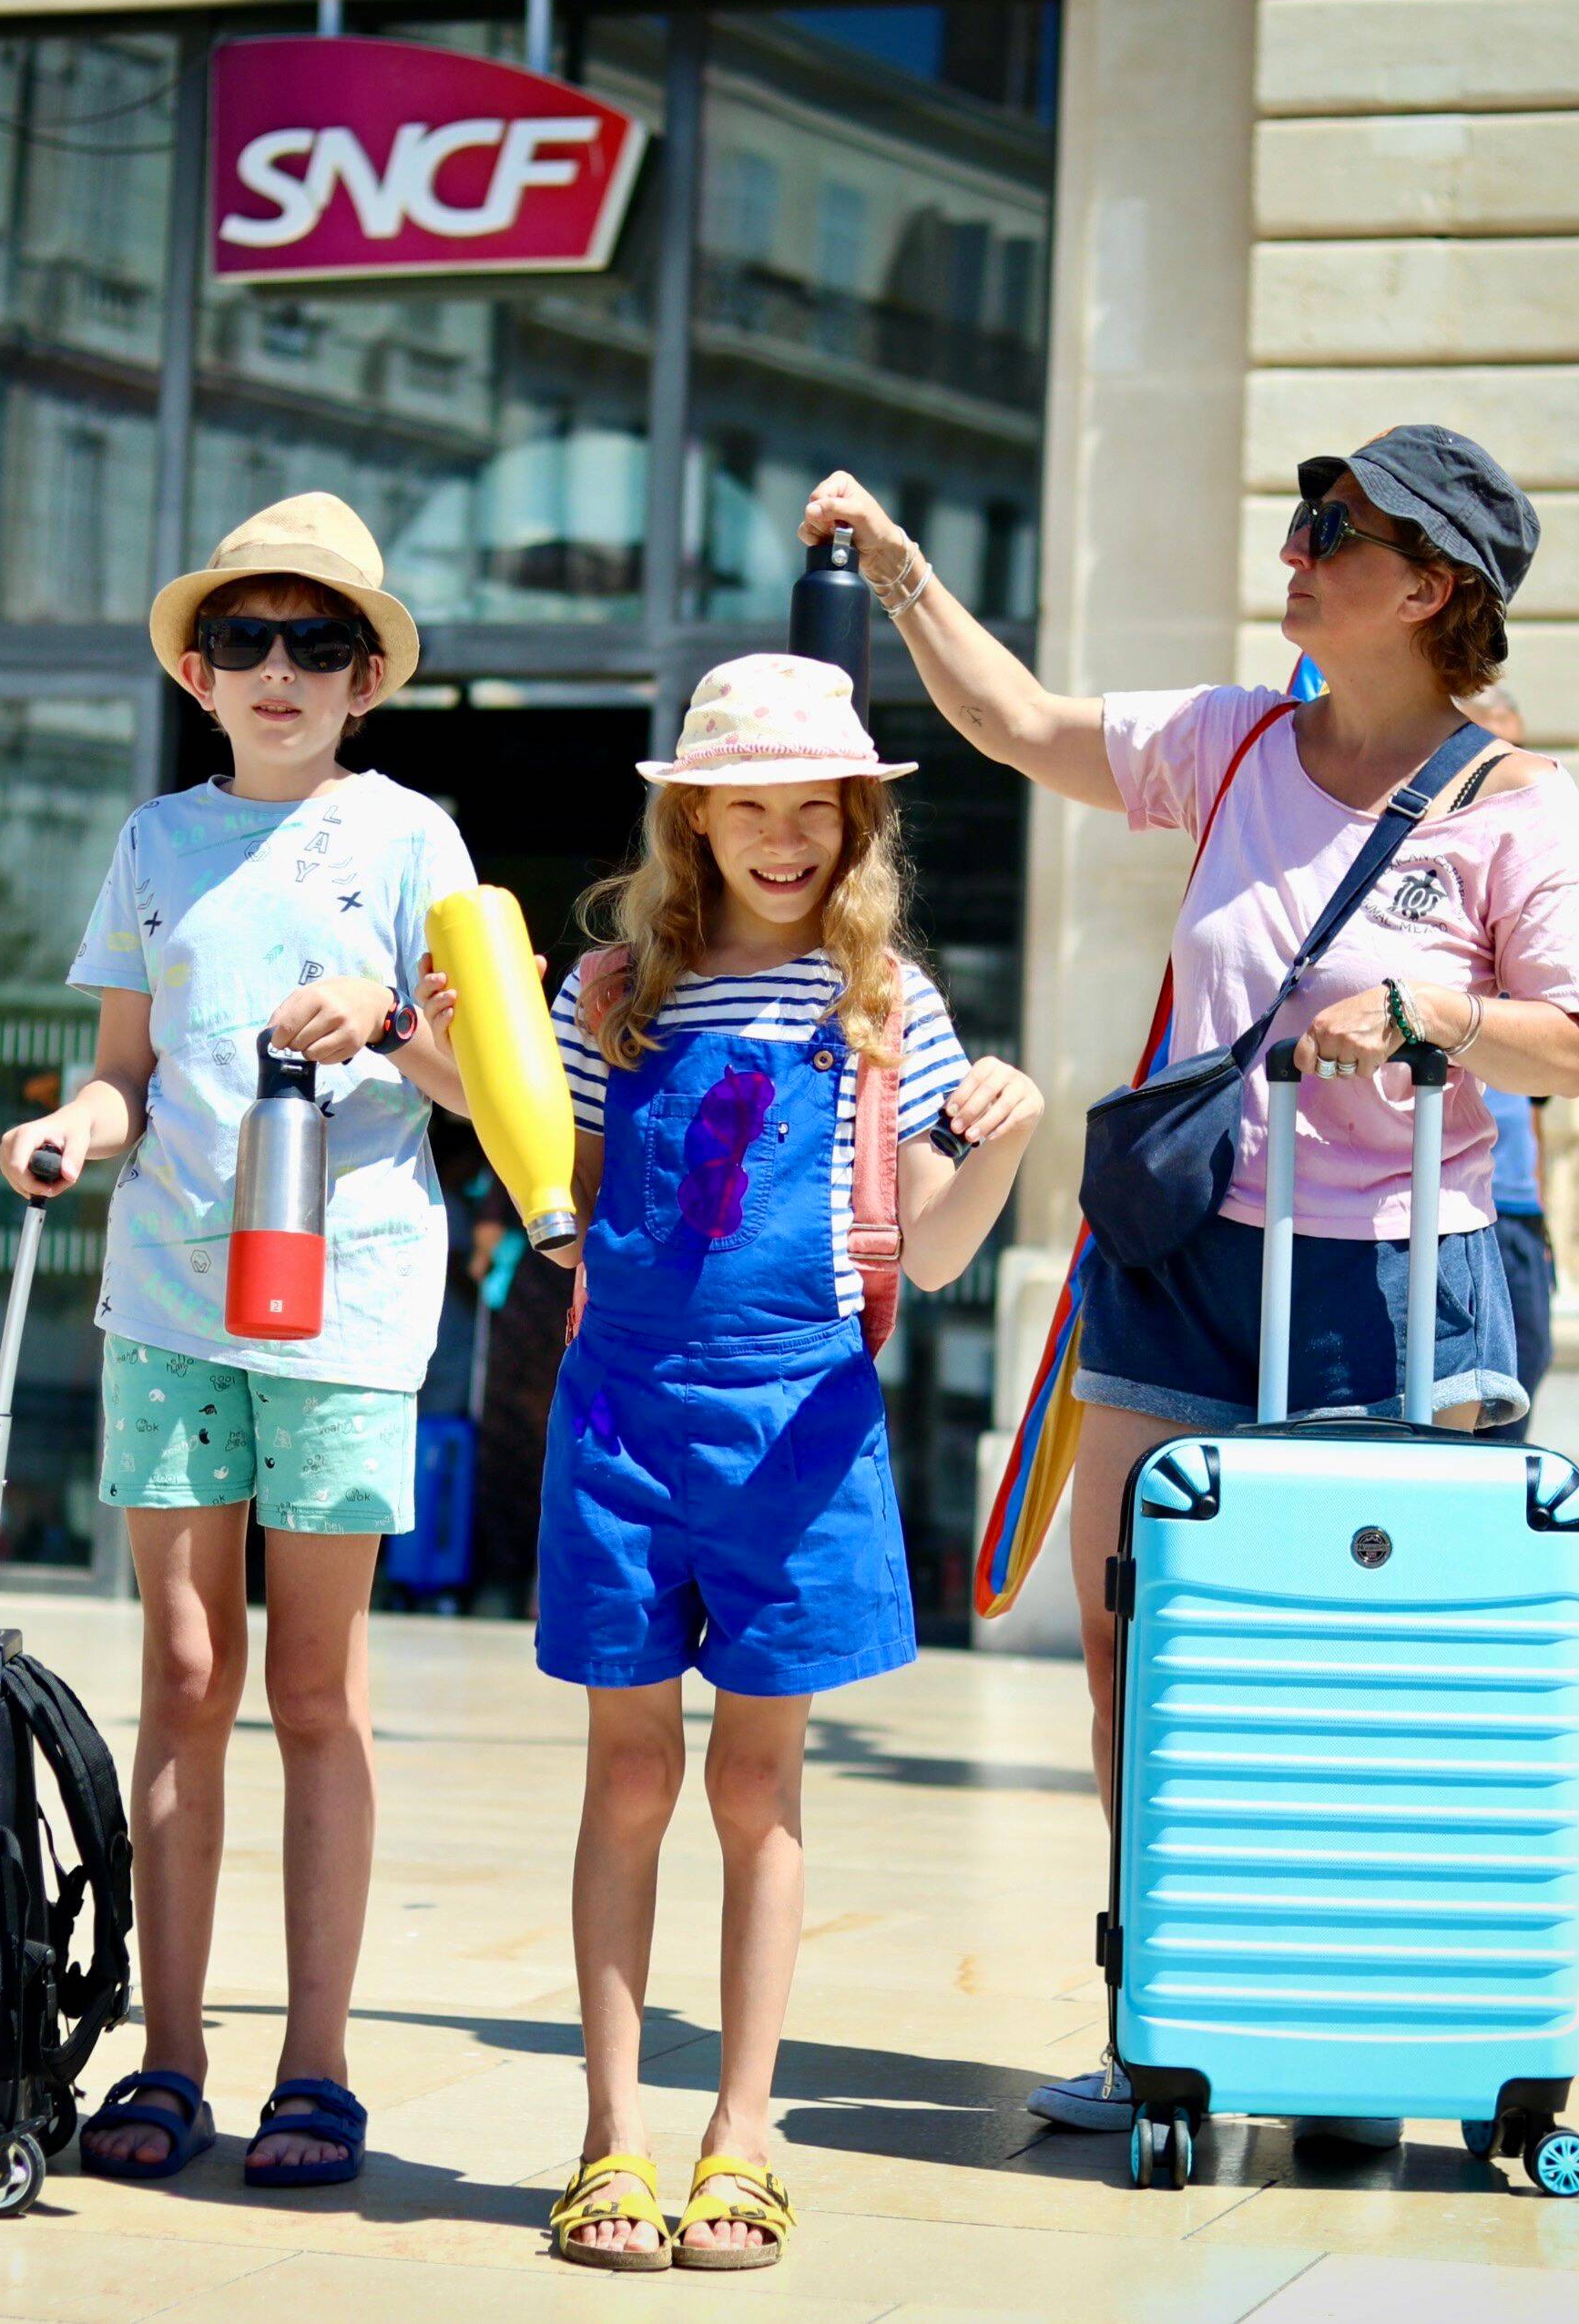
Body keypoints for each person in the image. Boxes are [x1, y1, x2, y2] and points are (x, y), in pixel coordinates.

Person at [800, 426, 1579, 2145]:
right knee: (1141, 1651)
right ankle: (1162, 2013)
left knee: (1385, 1670)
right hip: (1187, 1260)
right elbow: (1022, 727)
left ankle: (1376, 2020)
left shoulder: (1513, 811)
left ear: (1428, 589)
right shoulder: (1233, 737)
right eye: (1305, 514)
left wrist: (1428, 1017)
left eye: (1339, 528)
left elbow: (1574, 1047)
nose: (1298, 545)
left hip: (1403, 1282)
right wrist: (895, 563)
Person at [482, 656, 1041, 2273]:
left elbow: (932, 1255)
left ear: (855, 822)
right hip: (623, 1421)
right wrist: (447, 1051)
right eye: (749, 809)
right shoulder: (609, 993)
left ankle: (742, 2128)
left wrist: (997, 1139)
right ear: (693, 819)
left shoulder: (890, 1011)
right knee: (629, 1774)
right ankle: (611, 2129)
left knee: (758, 1786)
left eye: (815, 810)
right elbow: (557, 1183)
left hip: (802, 1431)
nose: (782, 840)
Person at [0, 493, 479, 2186]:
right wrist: (67, 1125)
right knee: (185, 1679)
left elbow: (499, 1092)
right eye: (250, 642)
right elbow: (126, 1070)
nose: (281, 671)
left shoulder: (418, 840)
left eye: (318, 643)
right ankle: (167, 2054)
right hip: (172, 1295)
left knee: (316, 1686)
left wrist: (393, 1020)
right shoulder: (152, 841)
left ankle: (319, 2065)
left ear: (364, 681)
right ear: (201, 673)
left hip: (347, 1298)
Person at [1460, 688, 1559, 1445]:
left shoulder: (1534, 881)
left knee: (1518, 1393)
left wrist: (1548, 1222)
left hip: (1517, 1212)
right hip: (1447, 1206)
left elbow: (1546, 1101)